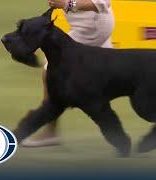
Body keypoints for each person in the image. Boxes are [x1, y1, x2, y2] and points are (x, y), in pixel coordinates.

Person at [21, 0, 114, 147]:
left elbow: (103, 2)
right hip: (93, 28)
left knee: (50, 72)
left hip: (90, 31)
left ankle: (50, 132)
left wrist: (67, 4)